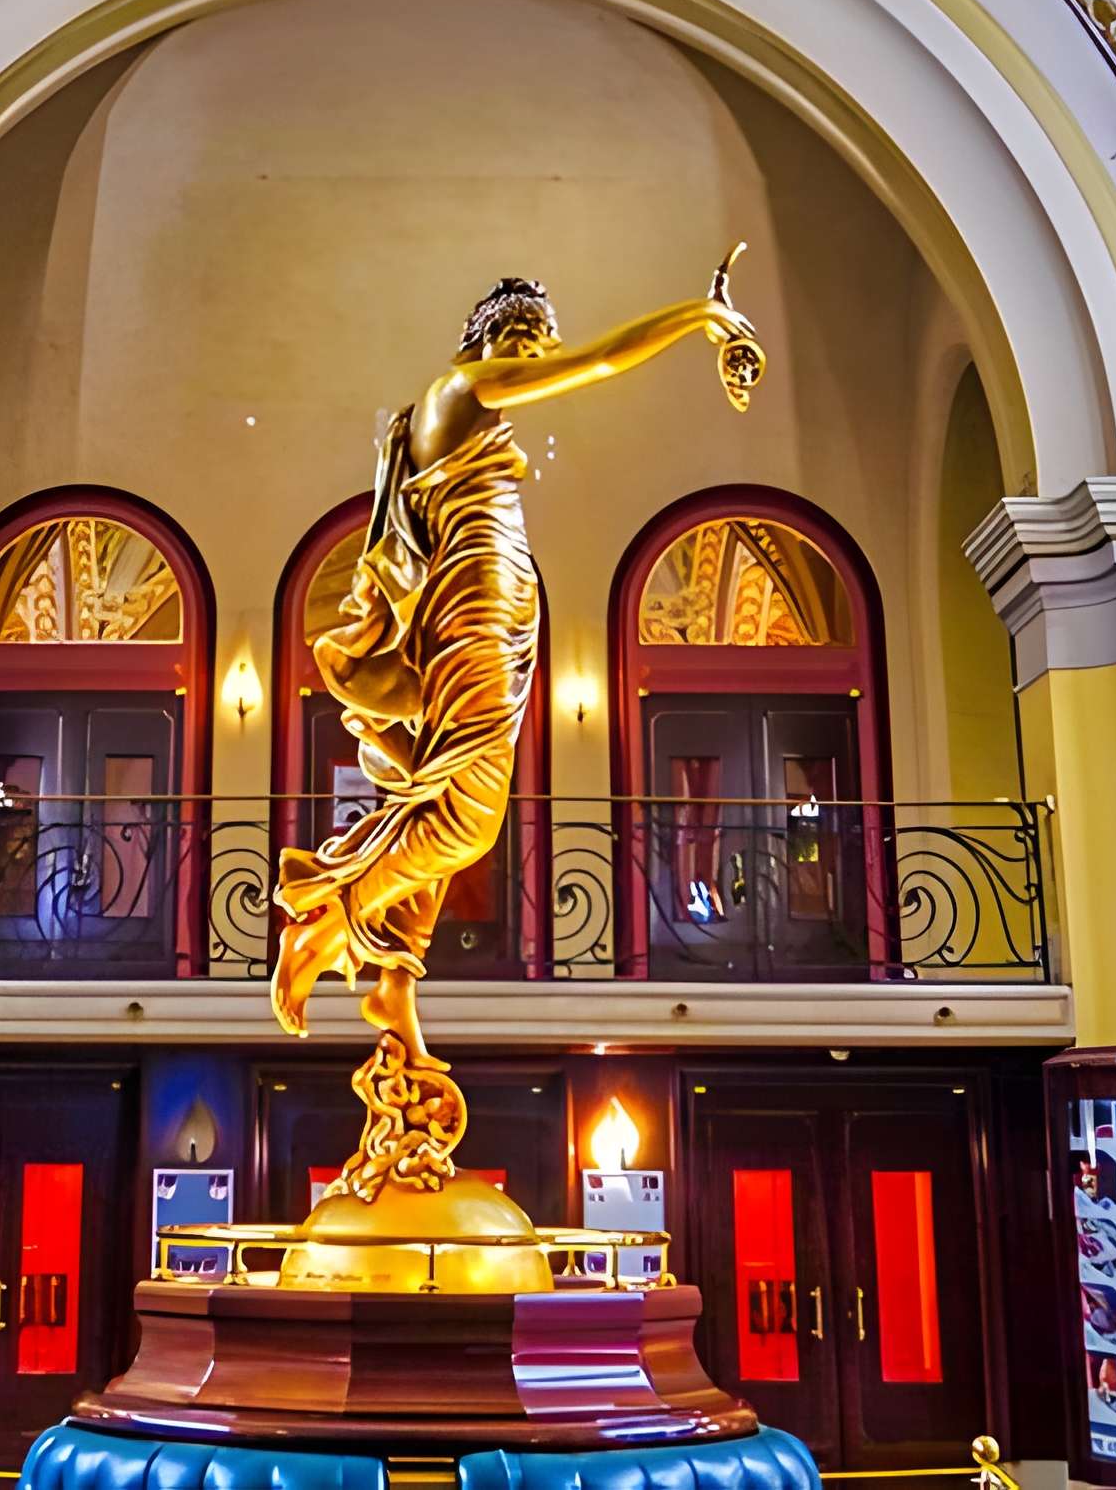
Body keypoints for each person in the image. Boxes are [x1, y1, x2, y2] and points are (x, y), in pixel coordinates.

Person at [272, 262, 764, 1201]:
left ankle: (395, 987)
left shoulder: (467, 416)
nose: (535, 362)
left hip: (490, 600)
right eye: (524, 343)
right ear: (489, 343)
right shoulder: (459, 388)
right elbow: (604, 362)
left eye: (538, 345)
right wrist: (699, 315)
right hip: (473, 599)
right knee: (466, 814)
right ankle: (326, 916)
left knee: (440, 802)